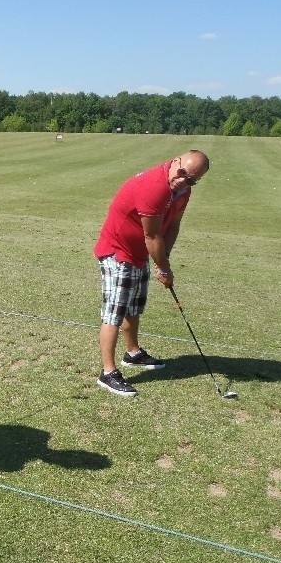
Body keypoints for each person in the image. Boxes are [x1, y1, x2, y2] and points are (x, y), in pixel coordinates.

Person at [94, 150, 210, 397]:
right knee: (114, 312)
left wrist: (164, 257)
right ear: (176, 161)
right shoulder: (153, 186)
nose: (183, 181)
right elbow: (152, 235)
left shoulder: (182, 191)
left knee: (134, 306)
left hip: (139, 253)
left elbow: (173, 225)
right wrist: (164, 269)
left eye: (191, 180)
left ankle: (132, 353)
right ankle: (108, 372)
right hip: (117, 251)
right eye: (182, 174)